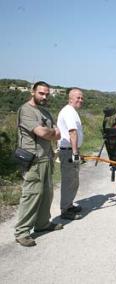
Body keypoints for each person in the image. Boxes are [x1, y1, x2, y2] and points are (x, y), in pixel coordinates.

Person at [14, 81, 63, 247]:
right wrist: (50, 132)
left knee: (47, 193)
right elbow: (42, 132)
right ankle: (22, 232)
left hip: (46, 158)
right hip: (32, 159)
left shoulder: (45, 112)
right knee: (32, 194)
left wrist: (50, 133)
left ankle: (42, 224)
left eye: (47, 94)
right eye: (41, 93)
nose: (44, 96)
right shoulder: (26, 110)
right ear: (33, 92)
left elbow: (58, 134)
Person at [57, 88, 84, 220]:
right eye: (78, 97)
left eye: (82, 98)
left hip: (70, 150)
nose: (80, 100)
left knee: (73, 180)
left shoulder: (72, 111)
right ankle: (65, 209)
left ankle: (69, 204)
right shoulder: (68, 112)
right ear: (70, 98)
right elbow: (72, 132)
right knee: (69, 180)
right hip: (68, 151)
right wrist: (75, 152)